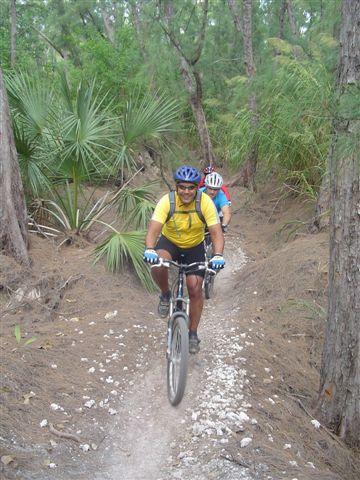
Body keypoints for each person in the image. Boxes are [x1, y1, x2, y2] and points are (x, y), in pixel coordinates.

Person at [143, 165, 225, 354]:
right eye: (182, 187)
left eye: (191, 187)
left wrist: (218, 254)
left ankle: (193, 333)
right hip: (170, 242)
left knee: (195, 288)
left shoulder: (205, 203)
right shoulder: (167, 201)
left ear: (197, 187)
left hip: (194, 247)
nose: (186, 191)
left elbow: (216, 233)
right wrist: (149, 248)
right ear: (176, 186)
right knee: (158, 264)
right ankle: (165, 294)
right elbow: (153, 229)